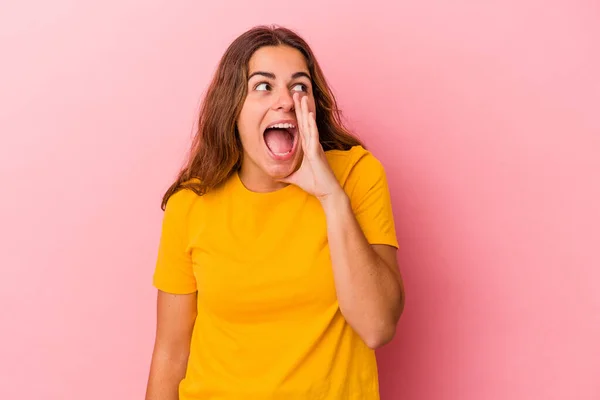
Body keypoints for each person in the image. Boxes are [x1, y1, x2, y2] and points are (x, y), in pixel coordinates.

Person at [145, 24, 405, 400]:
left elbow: (378, 326)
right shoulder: (191, 205)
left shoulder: (356, 176)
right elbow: (170, 354)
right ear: (232, 107)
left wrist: (331, 196)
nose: (285, 100)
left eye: (300, 86)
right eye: (263, 86)